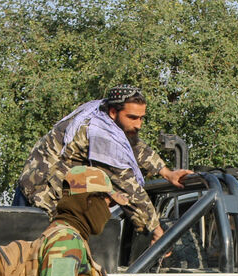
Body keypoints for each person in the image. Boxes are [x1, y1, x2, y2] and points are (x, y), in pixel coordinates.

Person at [18, 84, 194, 242]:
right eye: (133, 117)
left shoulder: (101, 114)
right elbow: (128, 187)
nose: (138, 124)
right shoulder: (100, 134)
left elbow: (132, 145)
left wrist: (166, 173)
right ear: (112, 112)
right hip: (41, 198)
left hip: (37, 190)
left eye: (141, 118)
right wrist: (156, 232)